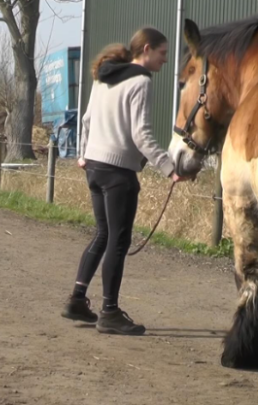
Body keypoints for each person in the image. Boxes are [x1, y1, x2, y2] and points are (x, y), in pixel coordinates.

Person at [61, 27, 189, 335]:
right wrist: (169, 167)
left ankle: (77, 299)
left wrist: (83, 154)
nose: (164, 60)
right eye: (162, 53)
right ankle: (109, 312)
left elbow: (87, 119)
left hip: (93, 166)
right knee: (118, 241)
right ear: (146, 49)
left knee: (103, 235)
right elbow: (140, 135)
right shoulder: (140, 80)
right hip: (118, 173)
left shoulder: (103, 75)